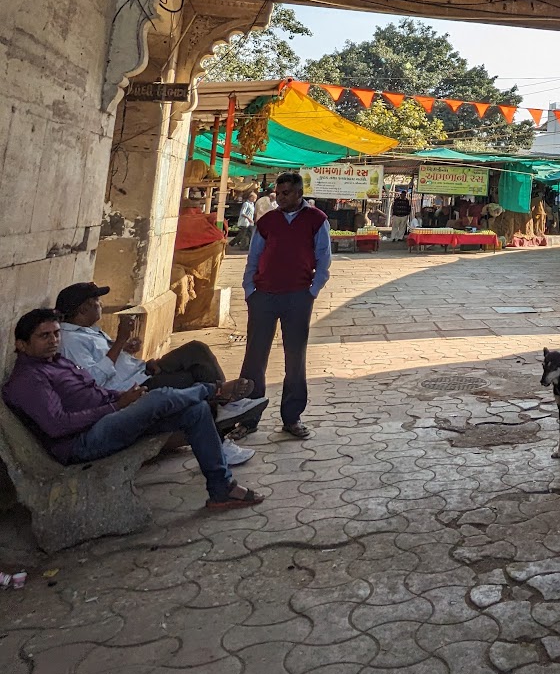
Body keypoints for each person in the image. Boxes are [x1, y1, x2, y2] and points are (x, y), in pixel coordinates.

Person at [4, 309, 263, 510]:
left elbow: (95, 392)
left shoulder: (56, 362)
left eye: (56, 334)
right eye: (44, 336)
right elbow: (58, 424)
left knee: (193, 411)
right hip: (82, 442)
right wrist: (116, 406)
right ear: (22, 345)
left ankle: (221, 488)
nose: (53, 341)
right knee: (160, 397)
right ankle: (215, 391)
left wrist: (124, 397)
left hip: (106, 419)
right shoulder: (29, 378)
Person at [54, 282, 261, 466]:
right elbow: (95, 380)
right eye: (96, 301)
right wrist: (119, 342)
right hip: (132, 389)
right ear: (82, 309)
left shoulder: (89, 330)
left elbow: (108, 358)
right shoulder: (72, 341)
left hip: (141, 371)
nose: (101, 304)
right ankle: (220, 437)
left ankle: (225, 403)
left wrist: (125, 348)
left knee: (196, 351)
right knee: (192, 381)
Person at [238, 171, 331, 440]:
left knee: (295, 357)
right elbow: (254, 257)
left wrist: (312, 290)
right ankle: (248, 417)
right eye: (278, 193)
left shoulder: (317, 220)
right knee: (254, 358)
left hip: (298, 296)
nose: (280, 198)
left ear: (299, 193)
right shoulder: (267, 222)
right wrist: (249, 290)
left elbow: (323, 258)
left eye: (286, 193)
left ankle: (292, 417)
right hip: (263, 295)